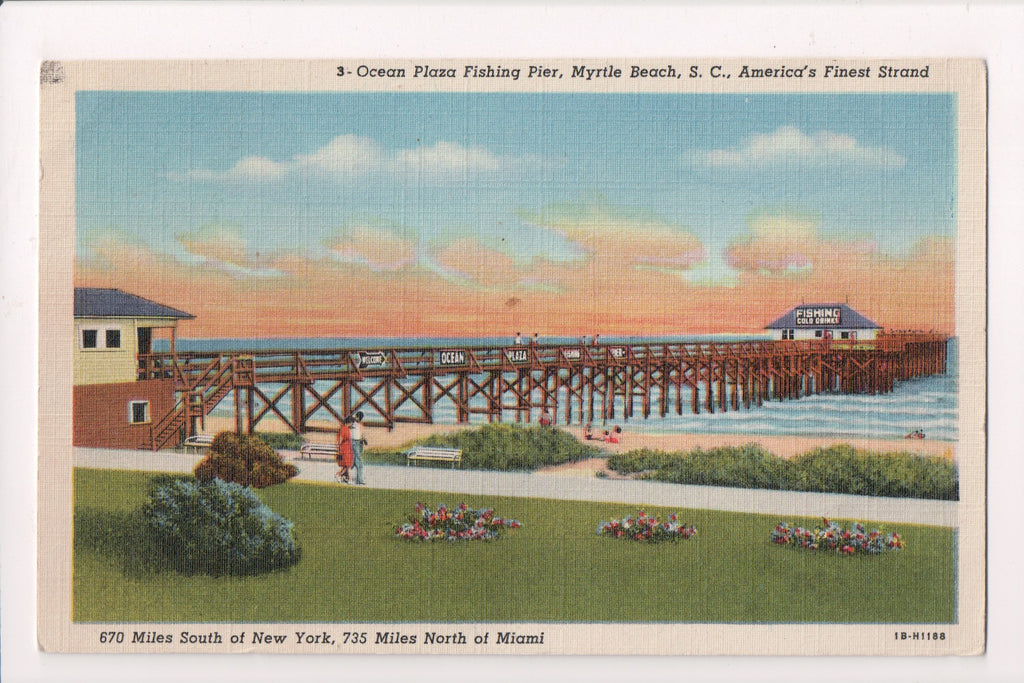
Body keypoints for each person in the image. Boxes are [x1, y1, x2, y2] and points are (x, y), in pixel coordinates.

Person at [335, 418, 354, 483]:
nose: (352, 424)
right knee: (348, 465)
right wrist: (338, 447)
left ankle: (341, 475)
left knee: (346, 466)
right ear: (348, 422)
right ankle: (349, 479)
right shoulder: (345, 429)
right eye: (351, 423)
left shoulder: (344, 429)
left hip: (347, 448)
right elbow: (341, 439)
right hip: (345, 449)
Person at [351, 411, 367, 485]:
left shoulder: (357, 424)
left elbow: (362, 434)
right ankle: (360, 480)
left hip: (358, 442)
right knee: (359, 462)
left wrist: (364, 440)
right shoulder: (353, 424)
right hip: (355, 442)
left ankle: (358, 479)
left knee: (355, 462)